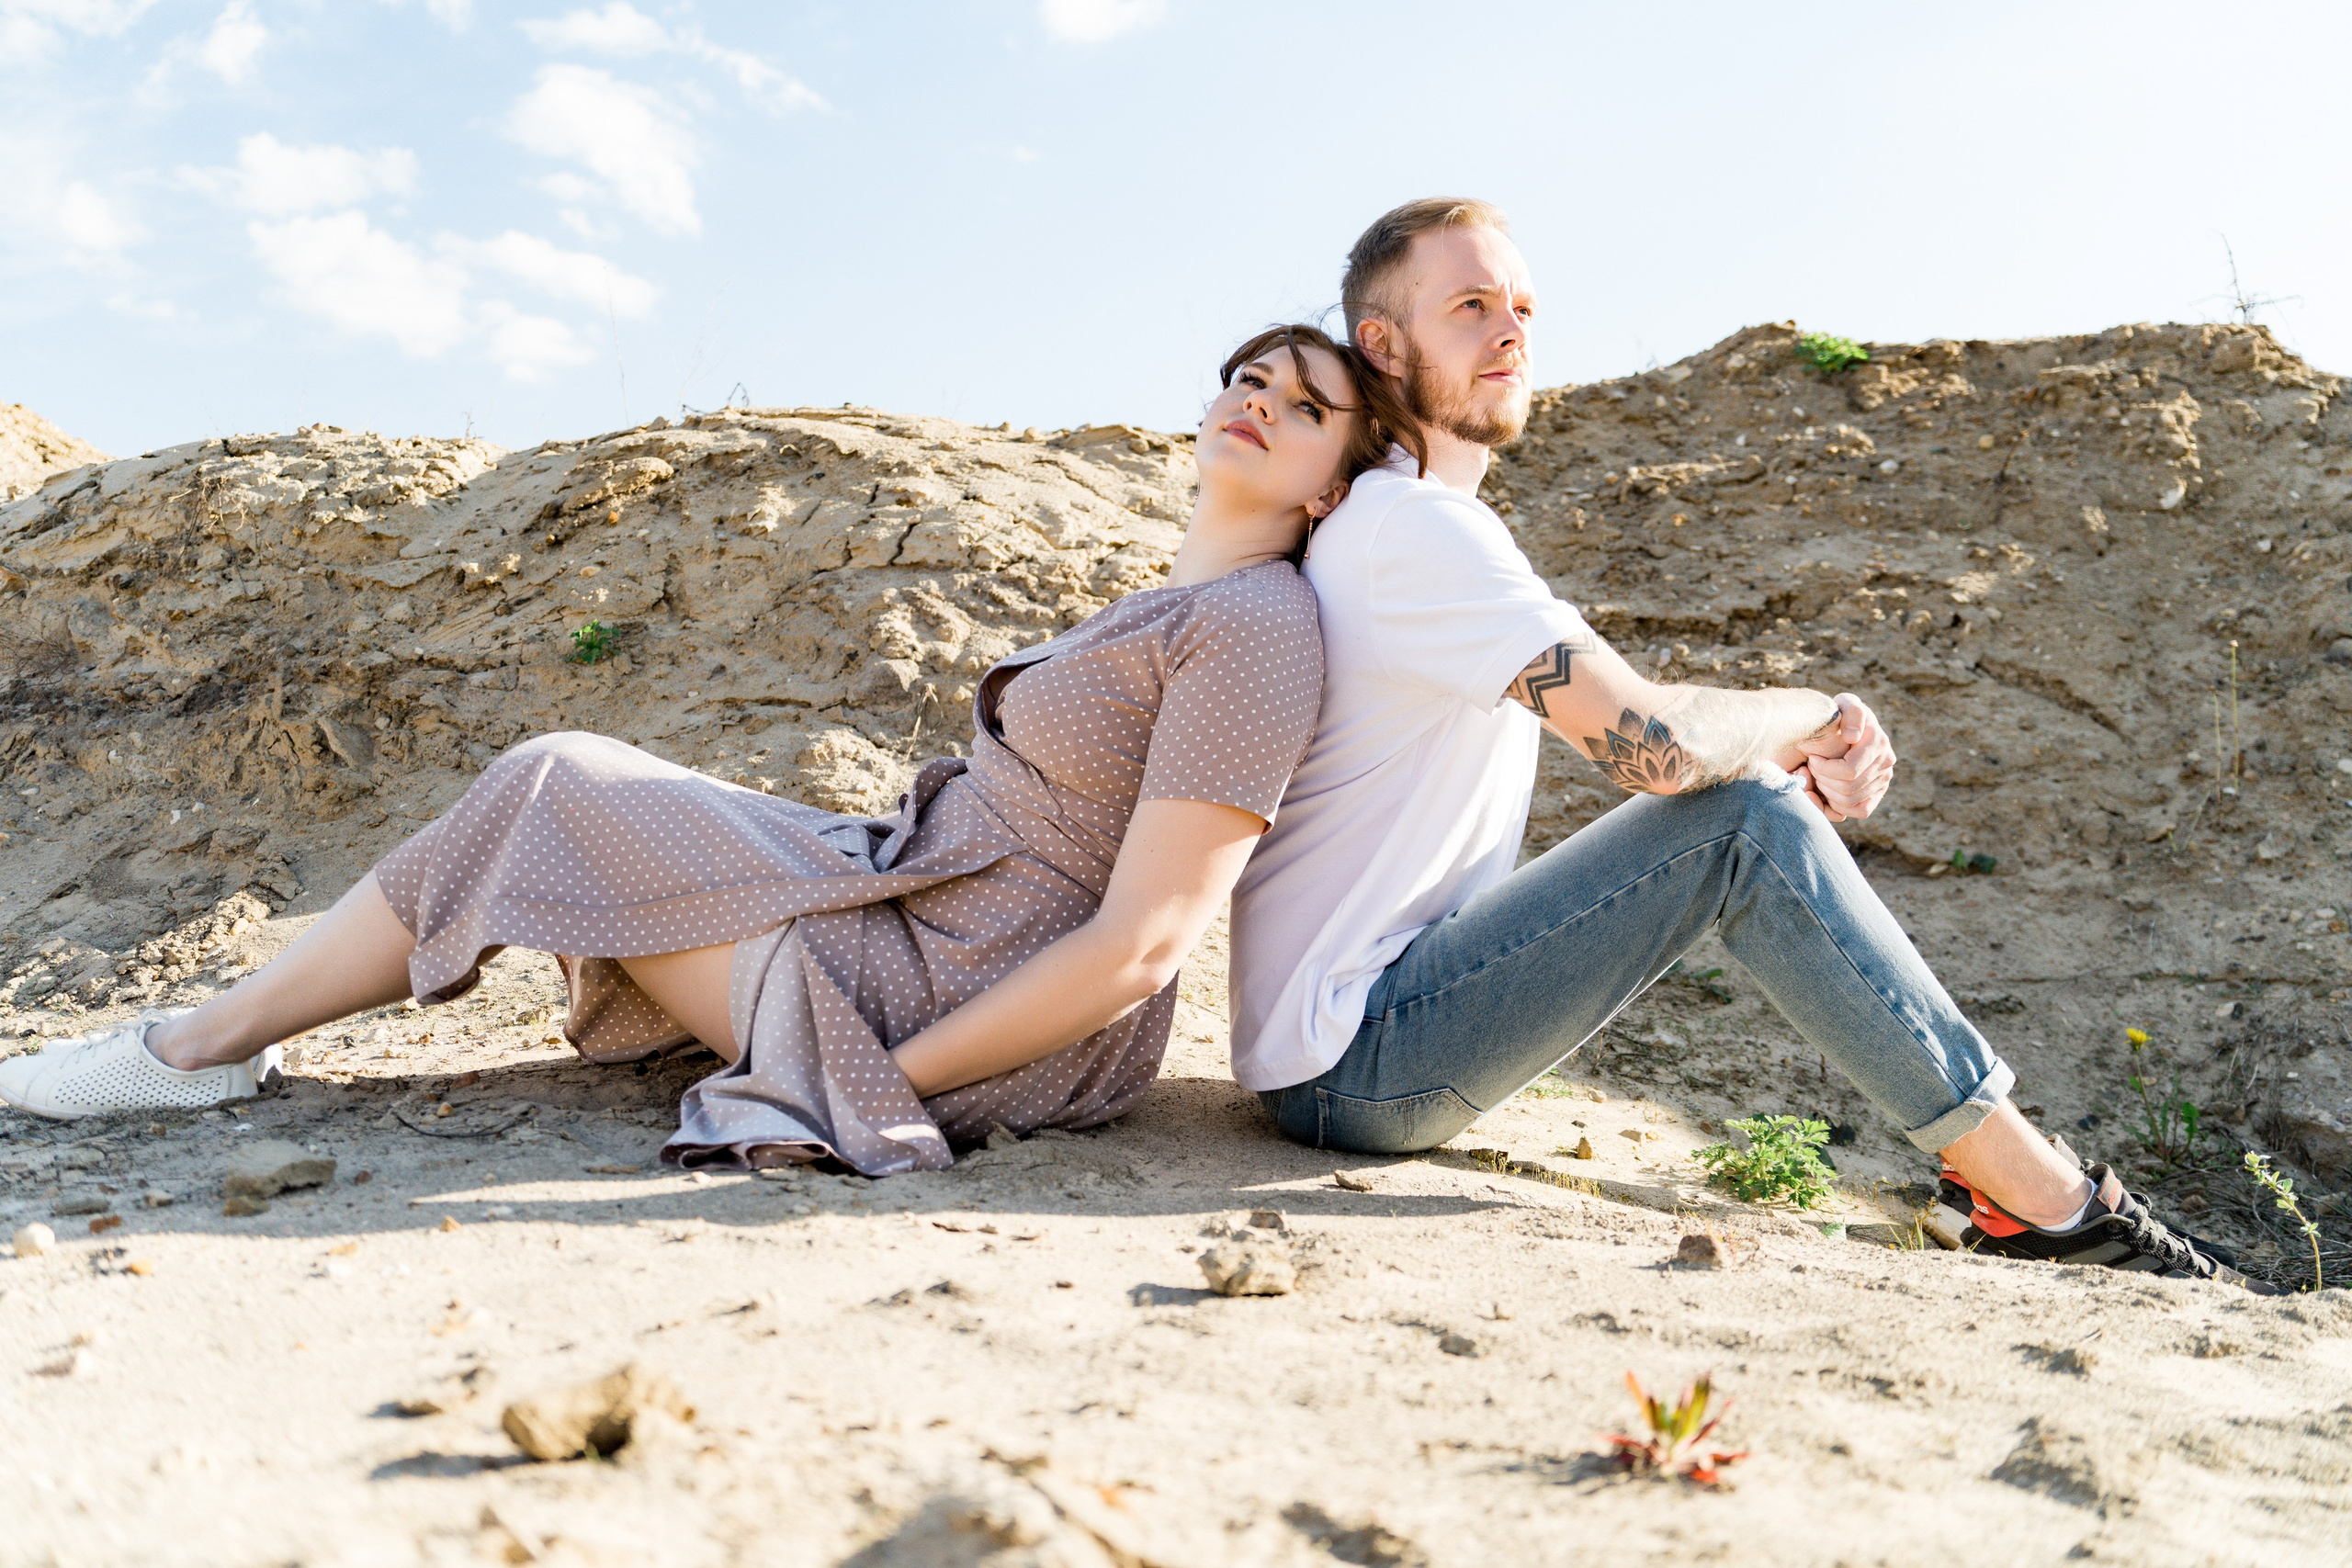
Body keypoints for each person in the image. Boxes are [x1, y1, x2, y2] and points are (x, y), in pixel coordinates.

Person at [1, 325, 1412, 1178]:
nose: (1255, 399)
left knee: (556, 777)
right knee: (593, 785)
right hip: (923, 907)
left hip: (983, 999)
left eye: (1301, 403)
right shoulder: (1185, 598)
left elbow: (1143, 945)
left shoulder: (1259, 624)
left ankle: (191, 1047)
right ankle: (203, 1046)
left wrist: (873, 1086)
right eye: (1245, 376)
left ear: (1338, 481)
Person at [1230, 199, 2265, 1289]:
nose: (1511, 333)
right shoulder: (1413, 528)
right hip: (1356, 1063)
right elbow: (1656, 751)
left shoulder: (1403, 525)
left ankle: (2008, 1190)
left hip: (1351, 1045)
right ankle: (2040, 1199)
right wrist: (1816, 715)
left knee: (1749, 815)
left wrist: (1775, 774)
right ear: (1383, 345)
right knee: (1739, 824)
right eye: (1470, 305)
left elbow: (1663, 769)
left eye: (1523, 307)